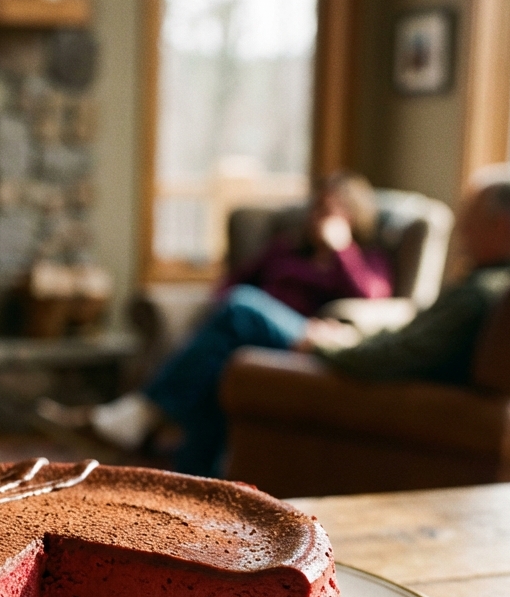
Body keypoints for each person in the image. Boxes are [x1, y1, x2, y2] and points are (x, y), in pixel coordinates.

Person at [41, 176, 510, 478]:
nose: (463, 226)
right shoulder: (288, 247)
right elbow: (408, 340)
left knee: (239, 314)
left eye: (473, 215)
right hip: (301, 341)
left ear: (502, 227)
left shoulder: (455, 284)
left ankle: (141, 421)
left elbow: (394, 332)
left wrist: (332, 343)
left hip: (315, 343)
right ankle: (186, 475)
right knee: (226, 343)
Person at [40, 171, 395, 474]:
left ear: (353, 215)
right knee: (217, 358)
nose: (321, 216)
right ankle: (191, 484)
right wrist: (217, 311)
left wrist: (342, 251)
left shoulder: (365, 259)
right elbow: (235, 280)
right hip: (251, 338)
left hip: (302, 335)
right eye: (318, 207)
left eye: (332, 209)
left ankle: (136, 417)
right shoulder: (286, 249)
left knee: (242, 306)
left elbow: (375, 299)